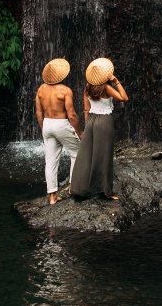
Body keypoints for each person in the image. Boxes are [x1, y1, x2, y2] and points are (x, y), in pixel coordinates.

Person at [70, 57, 128, 201]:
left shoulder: (87, 87)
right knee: (104, 155)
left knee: (85, 155)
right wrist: (116, 81)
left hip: (91, 121)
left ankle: (76, 188)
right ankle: (105, 190)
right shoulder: (107, 88)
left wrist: (86, 125)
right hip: (104, 122)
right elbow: (124, 98)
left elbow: (85, 108)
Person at [35, 58, 81, 205]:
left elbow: (38, 112)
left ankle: (53, 197)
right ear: (63, 75)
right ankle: (72, 186)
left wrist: (44, 129)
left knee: (50, 161)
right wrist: (79, 132)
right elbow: (72, 115)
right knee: (77, 153)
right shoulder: (65, 90)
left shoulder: (41, 89)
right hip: (61, 124)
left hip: (47, 124)